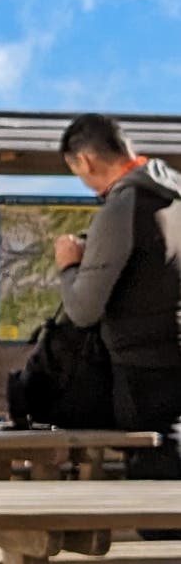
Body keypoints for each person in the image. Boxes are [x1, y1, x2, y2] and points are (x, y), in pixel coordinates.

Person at [55, 113, 181, 483]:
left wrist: (69, 266)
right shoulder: (173, 196)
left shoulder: (122, 207)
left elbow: (83, 309)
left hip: (140, 367)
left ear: (86, 160)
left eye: (76, 170)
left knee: (155, 479)